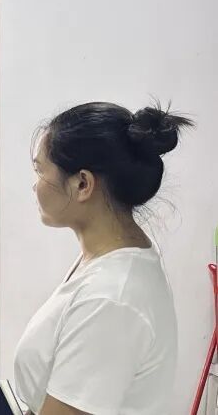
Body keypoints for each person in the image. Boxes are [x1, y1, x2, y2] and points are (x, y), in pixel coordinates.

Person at [14, 102, 191, 414]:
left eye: (40, 171)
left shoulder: (110, 299)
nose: (34, 185)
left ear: (82, 184)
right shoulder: (110, 255)